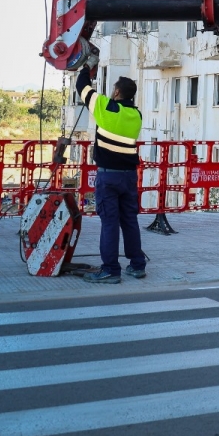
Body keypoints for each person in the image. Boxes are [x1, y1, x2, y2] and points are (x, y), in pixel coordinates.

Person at [76, 62, 147, 283]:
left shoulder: (106, 107)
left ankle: (110, 270)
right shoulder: (136, 115)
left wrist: (87, 67)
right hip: (129, 176)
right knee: (129, 221)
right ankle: (137, 266)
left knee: (109, 223)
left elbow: (82, 87)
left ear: (116, 92)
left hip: (108, 176)